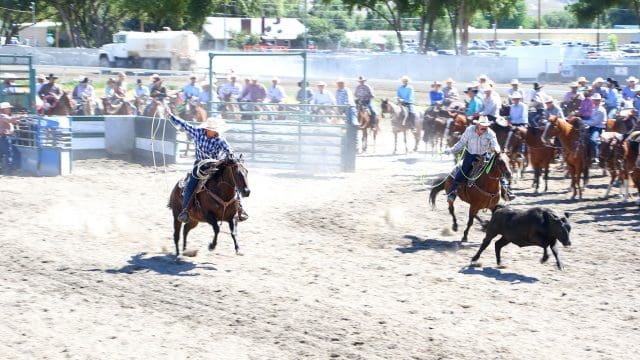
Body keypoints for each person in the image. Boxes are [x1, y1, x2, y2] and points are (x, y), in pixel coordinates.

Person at [168, 114, 248, 223]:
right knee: (190, 185)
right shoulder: (197, 133)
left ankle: (239, 208)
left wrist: (231, 156)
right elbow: (184, 125)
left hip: (216, 166)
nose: (214, 132)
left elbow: (229, 150)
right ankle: (185, 211)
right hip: (200, 165)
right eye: (212, 130)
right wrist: (171, 116)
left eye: (215, 130)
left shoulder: (219, 139)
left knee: (233, 180)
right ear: (207, 128)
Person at [444, 116, 515, 201]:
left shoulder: (490, 133)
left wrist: (497, 149)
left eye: (486, 125)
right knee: (463, 170)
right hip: (470, 155)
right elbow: (461, 142)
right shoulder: (469, 130)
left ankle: (507, 190)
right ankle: (452, 192)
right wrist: (451, 150)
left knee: (497, 169)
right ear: (478, 124)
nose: (485, 127)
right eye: (483, 125)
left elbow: (495, 143)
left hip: (484, 155)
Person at [586, 93, 606, 162]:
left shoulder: (601, 110)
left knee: (593, 140)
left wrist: (582, 121)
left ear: (600, 101)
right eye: (595, 100)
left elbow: (594, 122)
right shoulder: (591, 108)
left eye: (597, 100)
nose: (596, 101)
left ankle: (595, 157)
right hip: (590, 126)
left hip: (597, 128)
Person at [0, 102, 20, 171]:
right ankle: (10, 169)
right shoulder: (2, 115)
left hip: (3, 137)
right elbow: (9, 120)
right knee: (9, 152)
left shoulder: (4, 116)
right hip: (4, 137)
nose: (9, 109)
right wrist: (19, 117)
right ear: (4, 109)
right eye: (8, 108)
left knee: (2, 153)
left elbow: (10, 121)